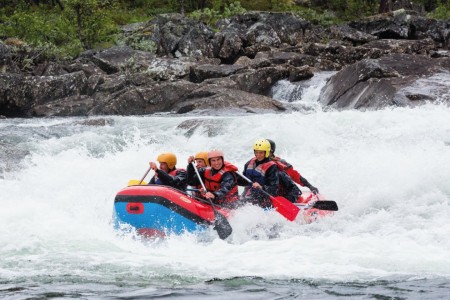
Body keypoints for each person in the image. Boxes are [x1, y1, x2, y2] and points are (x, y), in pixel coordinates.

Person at [240, 139, 279, 208]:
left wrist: (261, 187)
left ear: (266, 152)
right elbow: (243, 182)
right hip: (248, 194)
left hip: (264, 197)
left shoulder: (272, 166)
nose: (258, 155)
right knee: (240, 203)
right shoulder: (248, 163)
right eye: (256, 152)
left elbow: (274, 188)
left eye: (261, 153)